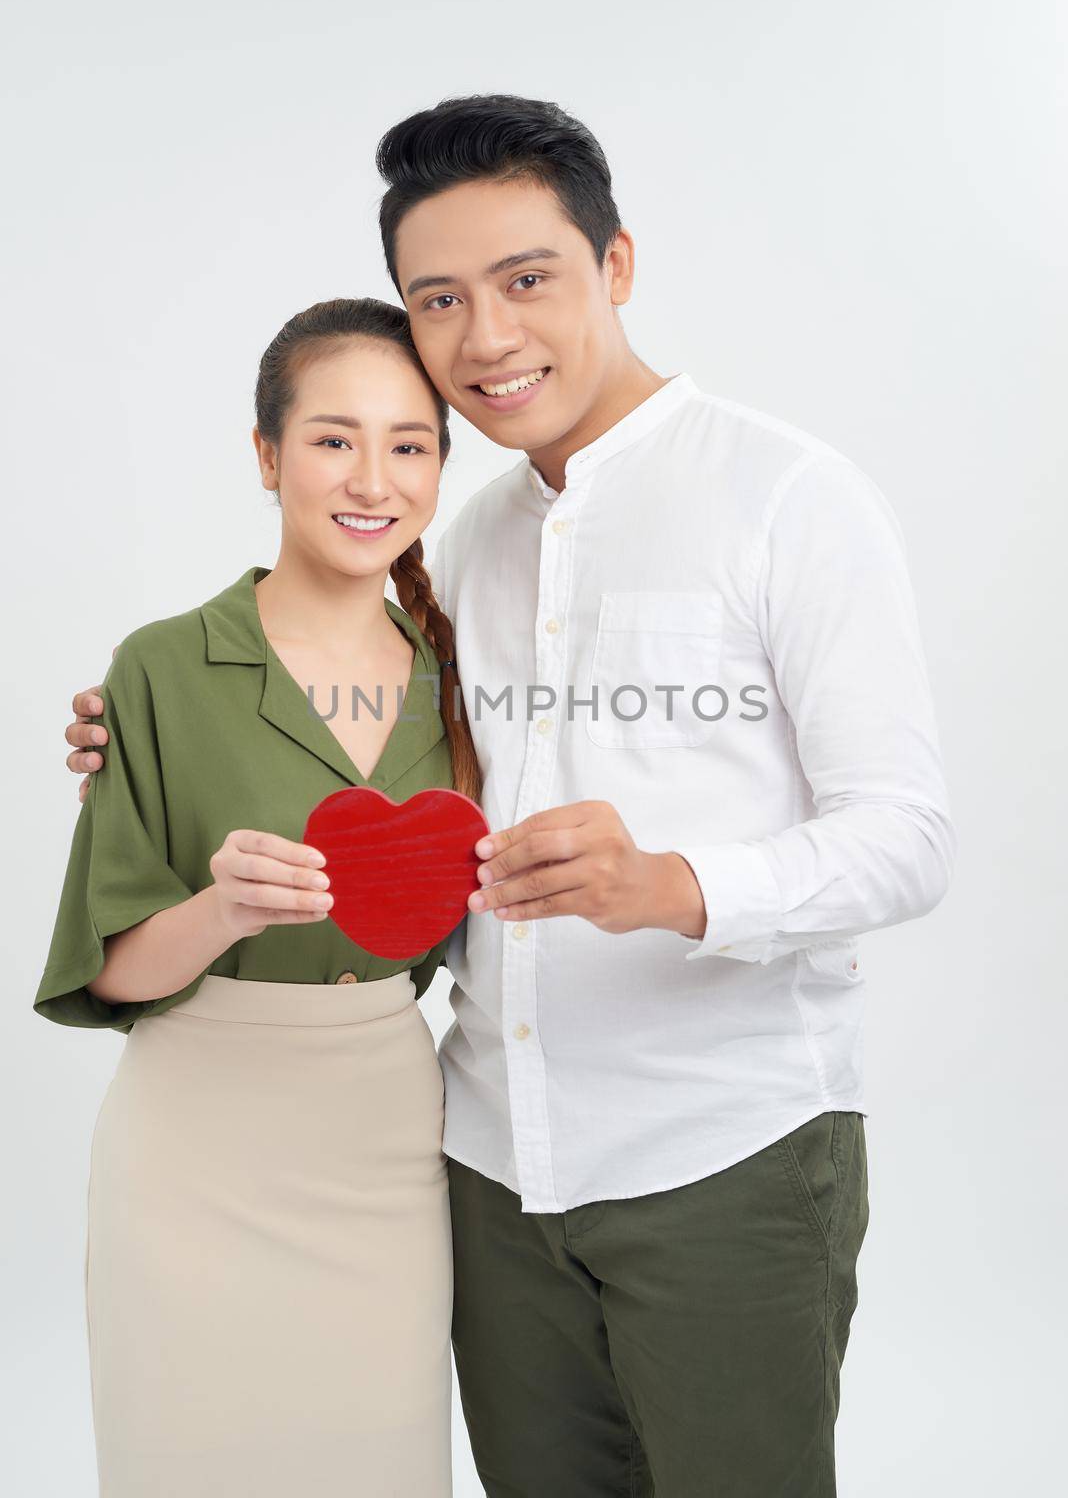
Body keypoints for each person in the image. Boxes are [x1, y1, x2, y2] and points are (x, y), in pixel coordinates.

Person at [64, 95, 956, 1498]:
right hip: (481, 1167)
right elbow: (345, 732)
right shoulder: (458, 543)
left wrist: (675, 884)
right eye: (440, 299)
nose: (486, 338)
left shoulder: (791, 498)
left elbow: (909, 837)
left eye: (527, 279)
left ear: (616, 264)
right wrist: (157, 719)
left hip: (720, 1154)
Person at [38, 297, 480, 1497]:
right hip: (194, 1142)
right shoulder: (160, 667)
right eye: (334, 438)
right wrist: (222, 906)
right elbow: (112, 966)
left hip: (384, 1136)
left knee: (380, 1461)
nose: (372, 478)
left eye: (411, 443)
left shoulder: (469, 678)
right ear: (267, 453)